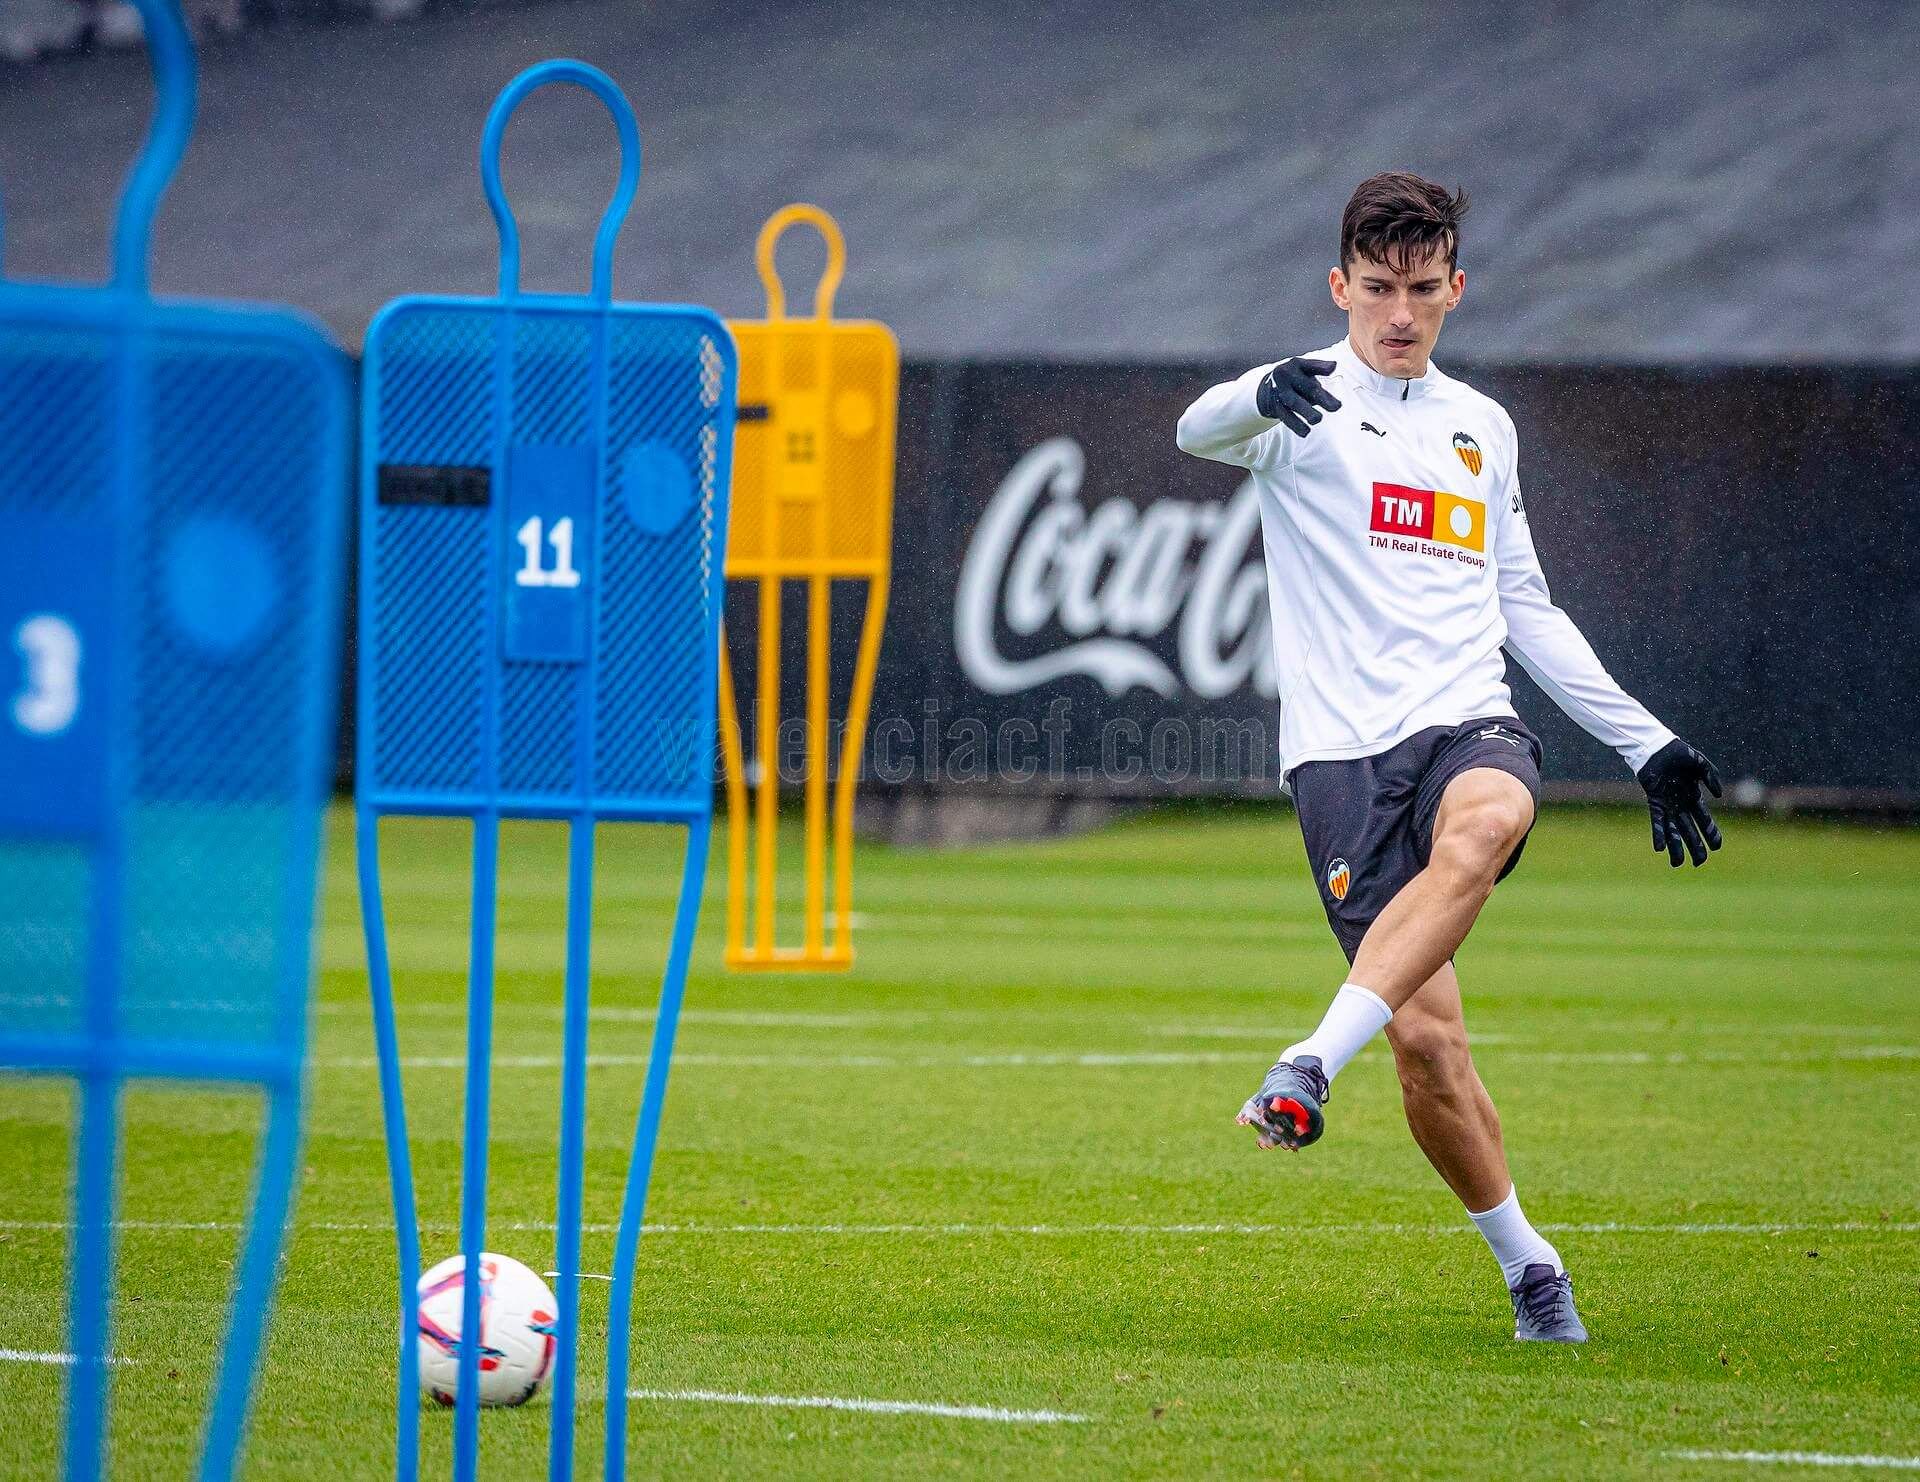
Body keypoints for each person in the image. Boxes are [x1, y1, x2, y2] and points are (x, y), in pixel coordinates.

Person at [1173, 171, 1724, 1343]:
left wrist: (1648, 742)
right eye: (1377, 289)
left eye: (1423, 289)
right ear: (1340, 287)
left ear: (1456, 289)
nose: (1400, 315)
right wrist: (1253, 394)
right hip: (1338, 759)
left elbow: (1525, 604)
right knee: (1427, 1048)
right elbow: (1195, 430)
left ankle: (1311, 1061)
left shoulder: (1483, 427)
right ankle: (1529, 1264)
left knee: (1485, 821)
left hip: (1468, 721)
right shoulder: (1299, 402)